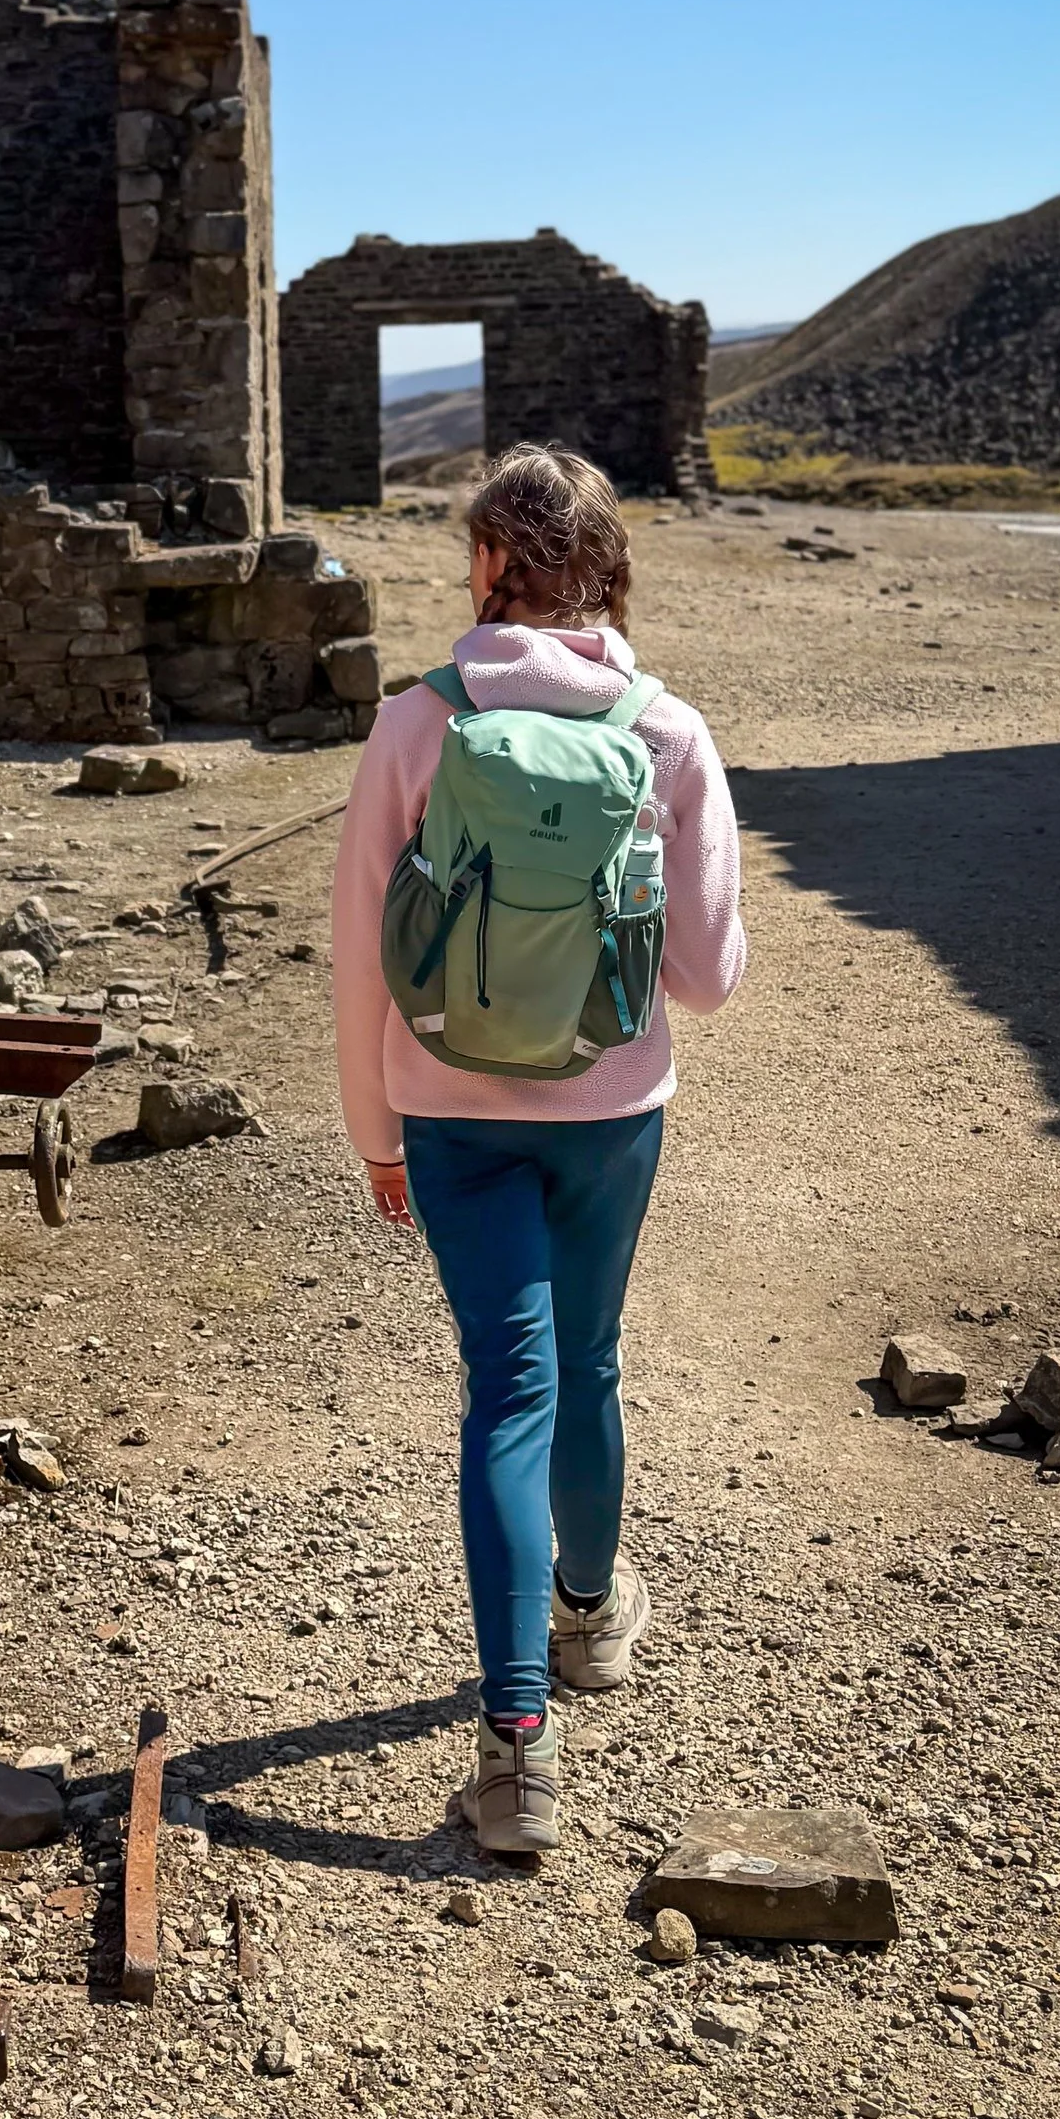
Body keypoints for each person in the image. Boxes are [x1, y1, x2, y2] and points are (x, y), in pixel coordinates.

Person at [331, 445, 747, 1854]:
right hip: (611, 1110)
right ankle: (589, 1613)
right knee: (592, 1360)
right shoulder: (667, 732)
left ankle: (518, 1753)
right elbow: (704, 975)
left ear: (490, 568)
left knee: (506, 1387)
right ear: (606, 569)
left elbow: (358, 962)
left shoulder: (414, 724)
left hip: (448, 1109)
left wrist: (376, 1129)